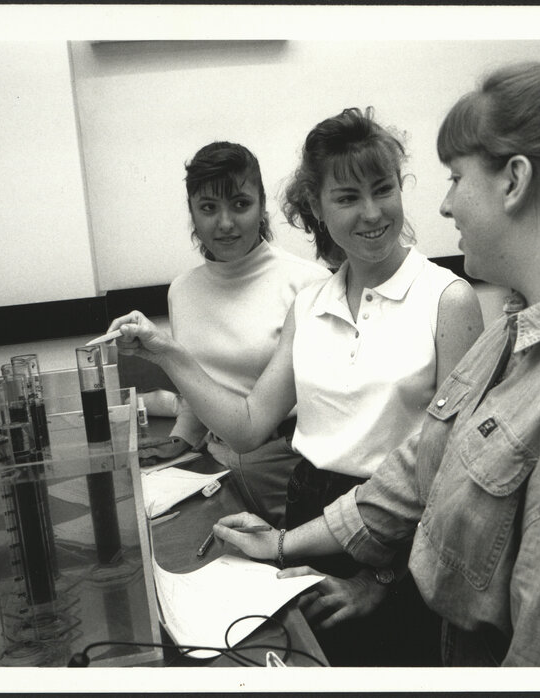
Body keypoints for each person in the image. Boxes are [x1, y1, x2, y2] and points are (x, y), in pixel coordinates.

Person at [211, 62, 540, 667]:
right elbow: (414, 474)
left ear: (514, 181)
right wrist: (278, 543)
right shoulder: (517, 331)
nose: (444, 205)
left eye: (457, 178)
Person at [109, 107, 485, 665]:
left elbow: (454, 475)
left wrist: (380, 579)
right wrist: (167, 353)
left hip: (399, 537)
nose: (372, 213)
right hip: (309, 512)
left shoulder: (447, 300)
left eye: (383, 189)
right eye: (347, 198)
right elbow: (246, 427)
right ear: (315, 207)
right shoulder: (309, 306)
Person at [139, 141, 329, 527]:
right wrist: (180, 440)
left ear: (261, 206)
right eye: (208, 208)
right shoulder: (182, 290)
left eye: (240, 204)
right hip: (216, 469)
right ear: (192, 212)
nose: (225, 223)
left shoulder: (308, 283)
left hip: (292, 469)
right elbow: (199, 384)